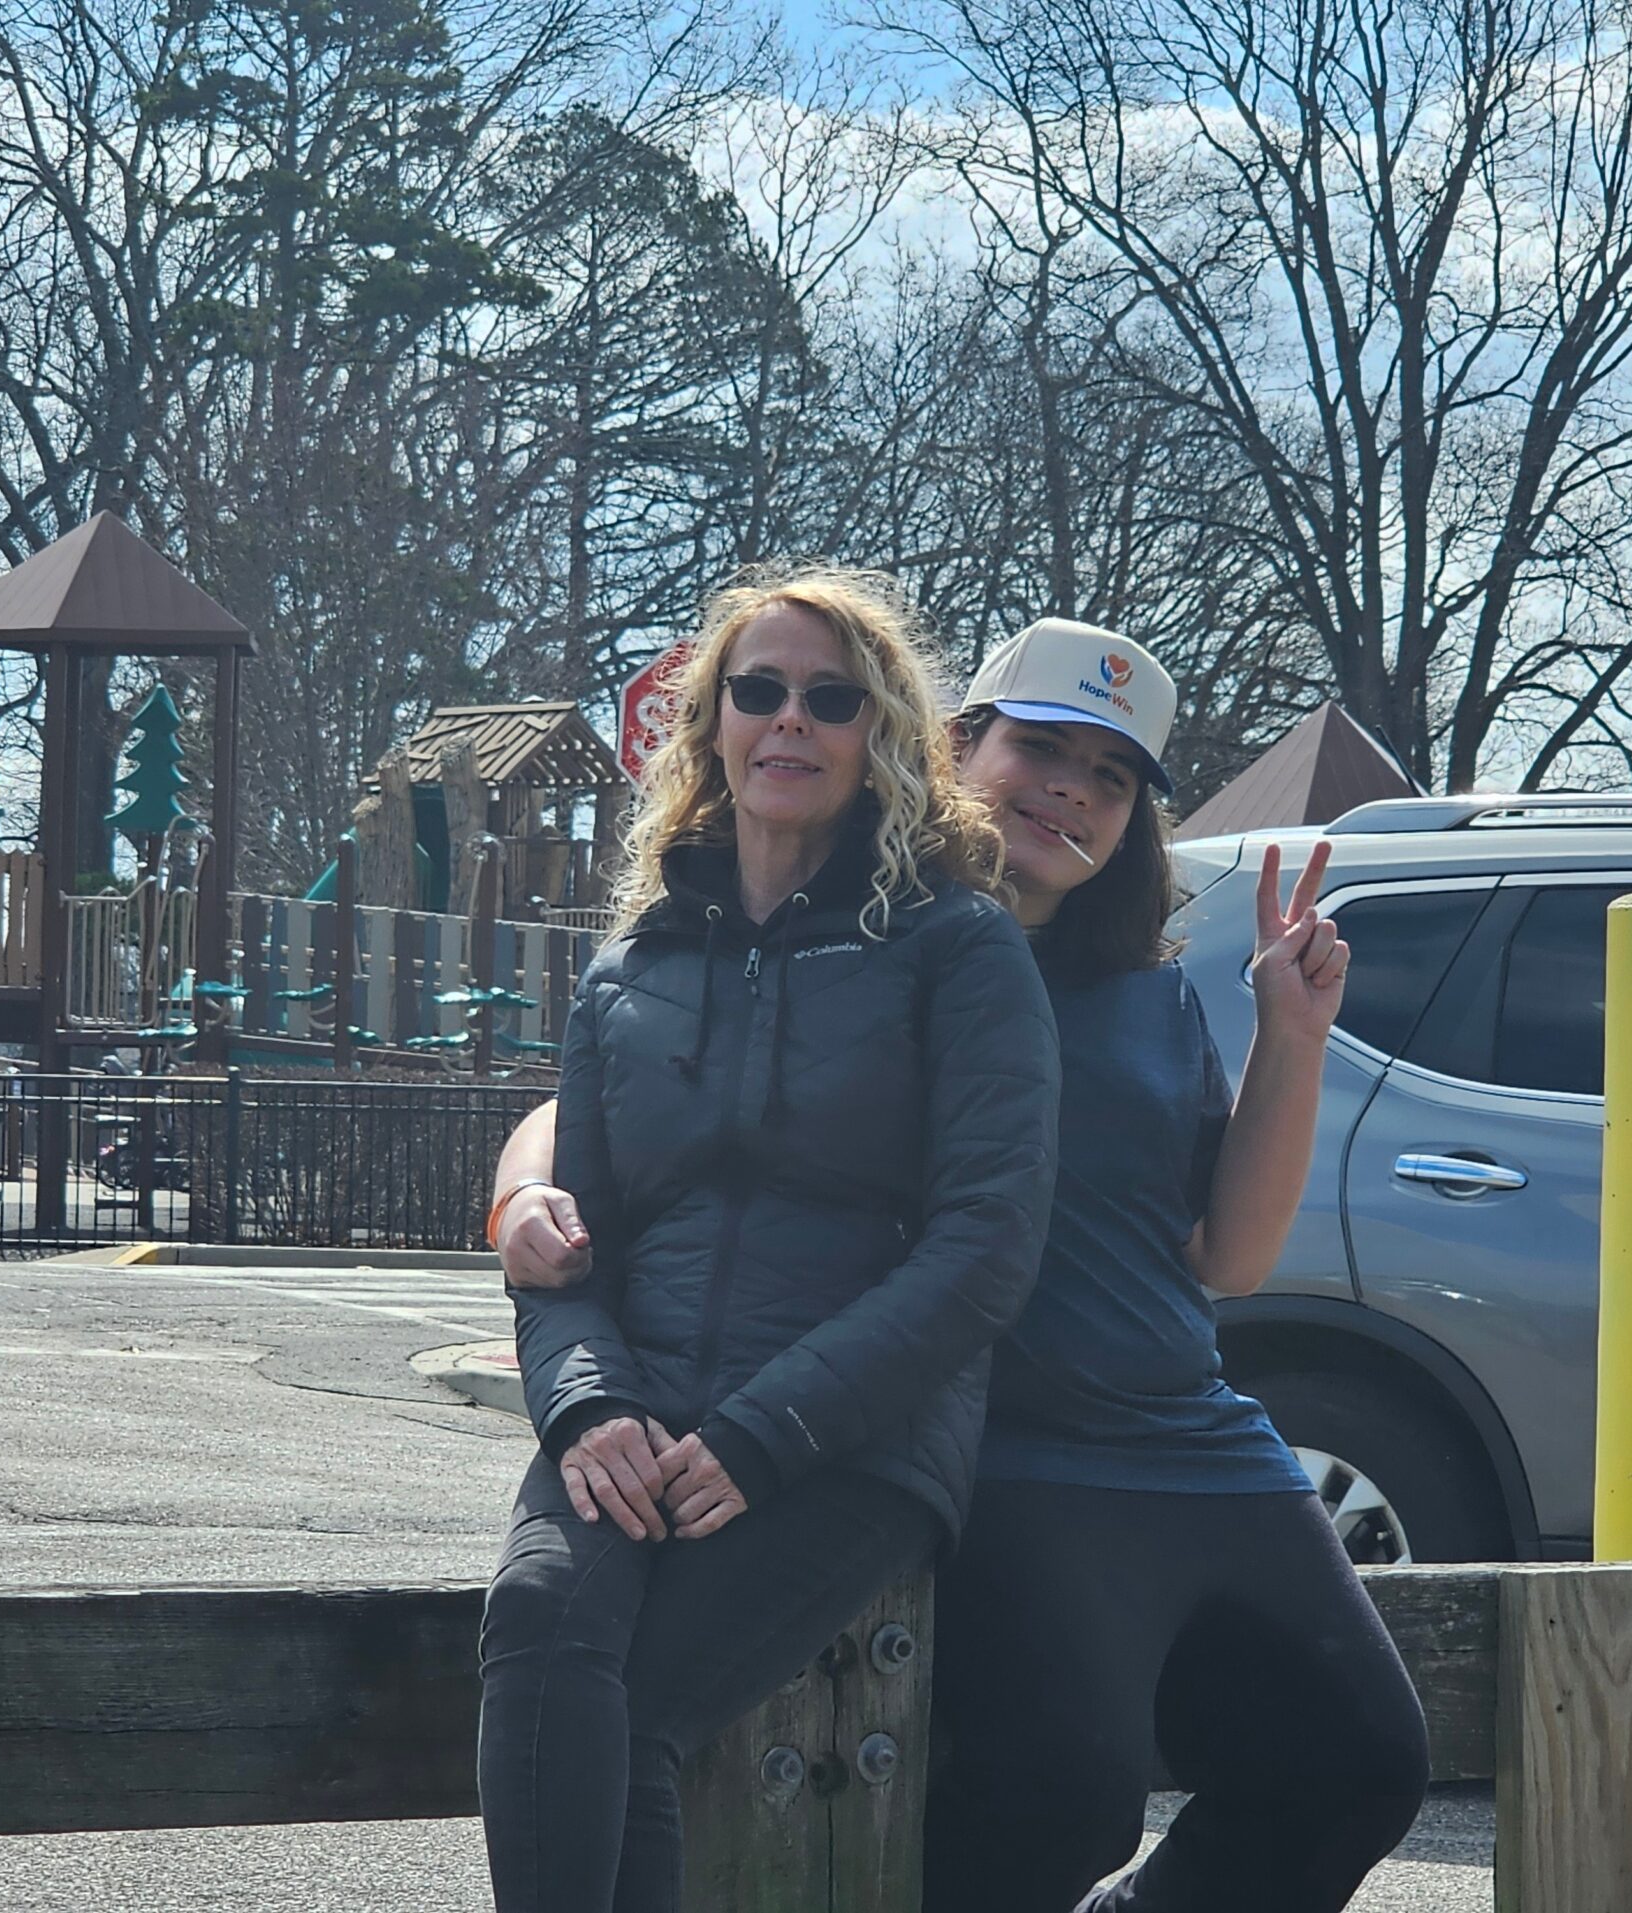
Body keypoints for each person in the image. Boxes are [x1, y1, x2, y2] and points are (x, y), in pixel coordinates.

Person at [490, 617, 1428, 1911]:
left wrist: (1292, 1034)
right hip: (1011, 1442)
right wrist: (522, 1182)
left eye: (1111, 777)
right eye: (1041, 749)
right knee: (1062, 1798)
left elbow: (1232, 1253)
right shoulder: (886, 942)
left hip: (1192, 1431)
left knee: (1363, 1762)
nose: (1072, 790)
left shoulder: (1143, 988)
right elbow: (661, 1098)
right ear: (950, 747)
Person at [474, 567, 1061, 1913]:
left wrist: (765, 1432)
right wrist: (585, 1407)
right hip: (636, 1408)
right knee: (544, 1628)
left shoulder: (958, 947)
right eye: (759, 690)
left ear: (879, 740)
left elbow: (986, 1247)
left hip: (851, 1437)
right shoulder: (629, 967)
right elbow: (567, 1248)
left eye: (829, 699)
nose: (789, 718)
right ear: (712, 723)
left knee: (640, 1705)